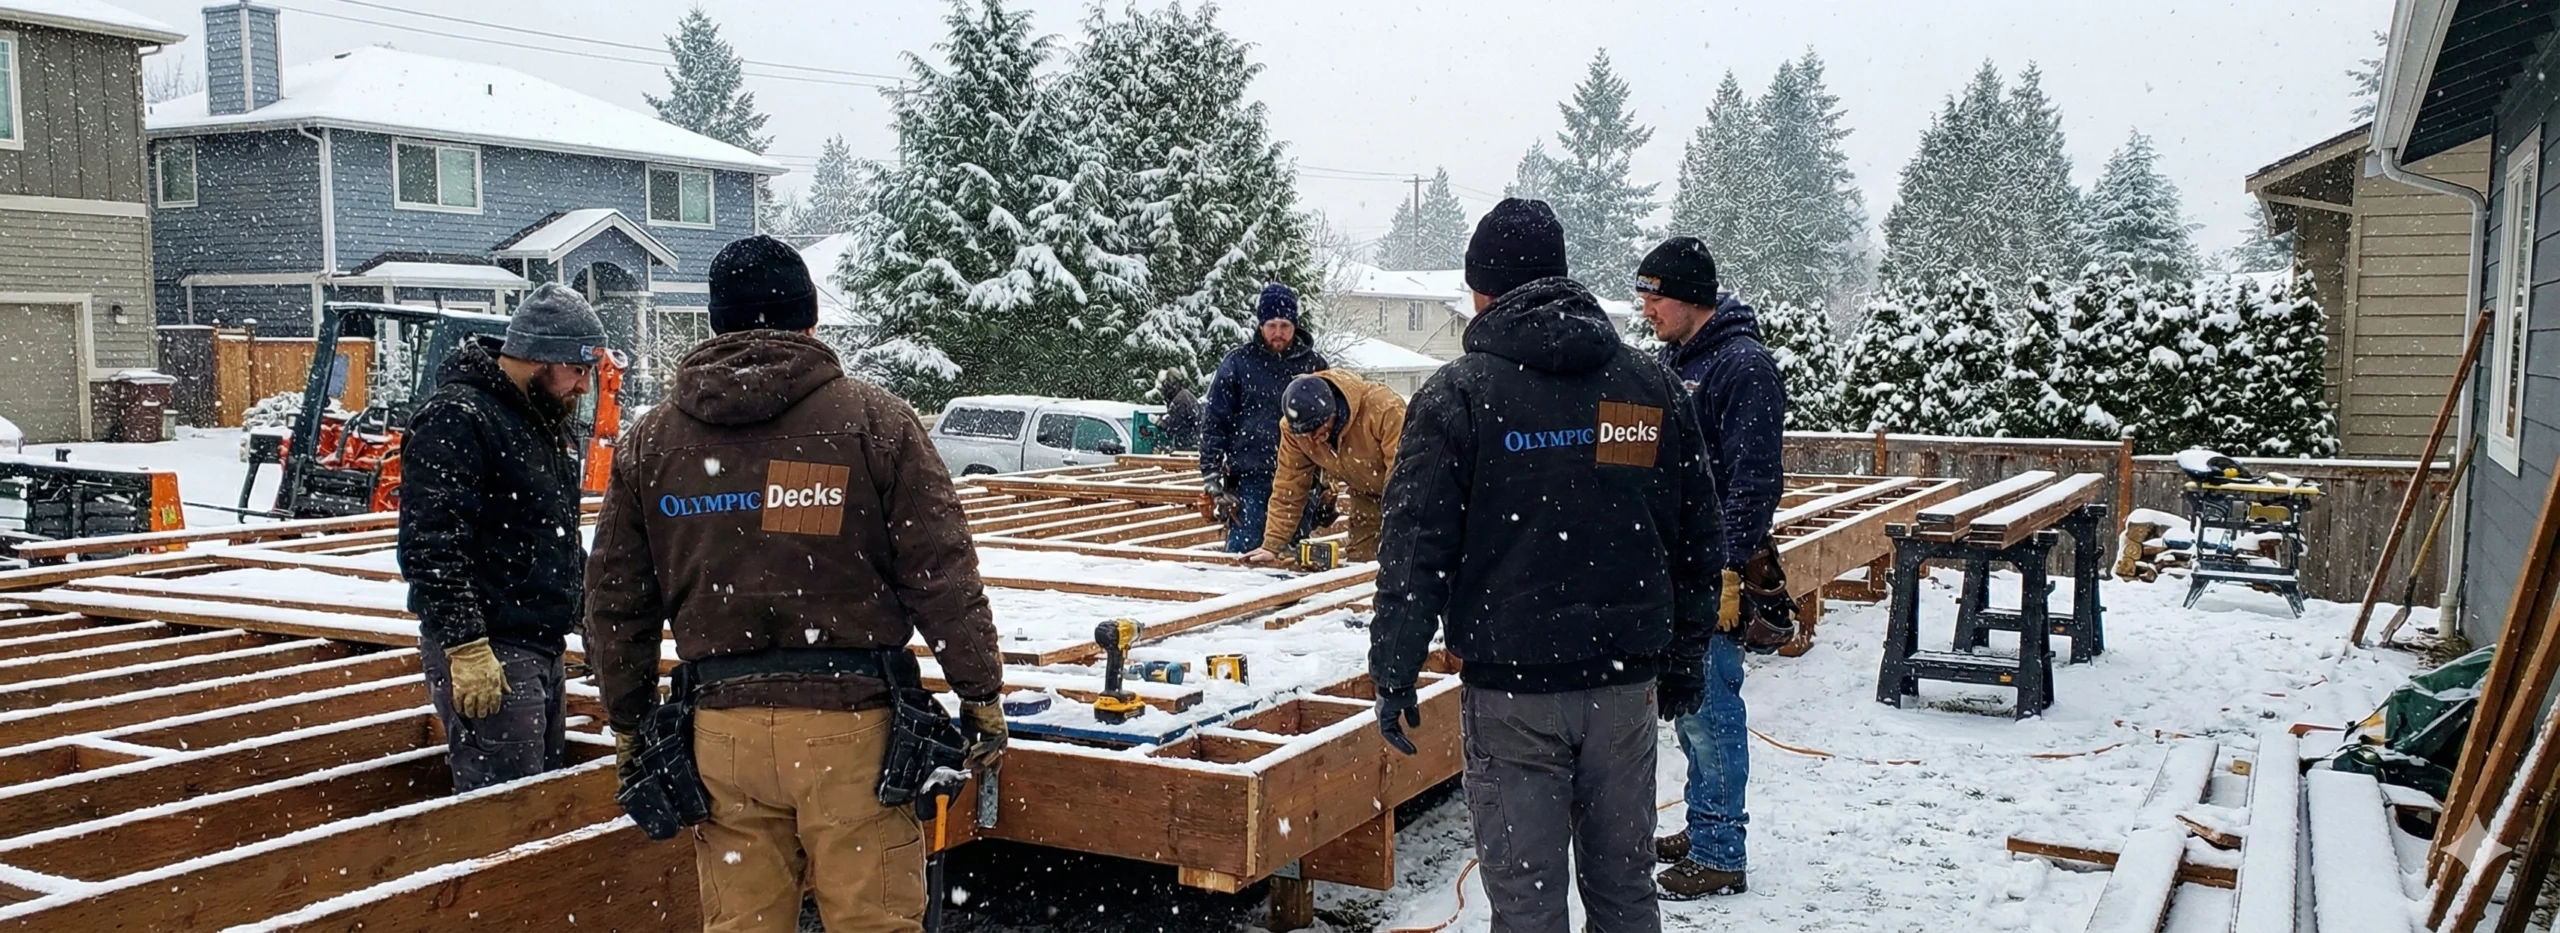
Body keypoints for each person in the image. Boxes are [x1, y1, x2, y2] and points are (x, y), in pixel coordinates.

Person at [584, 235, 1007, 933]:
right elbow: (942, 572)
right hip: (853, 731)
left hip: (722, 737)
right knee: (874, 922)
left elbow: (614, 602)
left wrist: (627, 718)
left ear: (717, 323)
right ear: (809, 320)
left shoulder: (653, 439)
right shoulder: (872, 421)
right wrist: (979, 691)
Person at [1371, 199, 1724, 933]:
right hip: (1623, 688)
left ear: (1483, 290)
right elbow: (1697, 536)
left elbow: (1414, 547)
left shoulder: (1460, 395)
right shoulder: (1646, 387)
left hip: (1514, 692)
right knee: (1625, 890)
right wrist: (1686, 653)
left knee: (1527, 906)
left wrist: (1395, 666)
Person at [397, 283, 602, 793]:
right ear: (540, 359)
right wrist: (466, 644)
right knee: (509, 813)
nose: (583, 387)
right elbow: (432, 544)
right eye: (577, 371)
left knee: (542, 802)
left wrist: (587, 614)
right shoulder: (459, 418)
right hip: (493, 650)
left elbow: (548, 533)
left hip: (538, 644)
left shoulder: (539, 422)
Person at [1637, 236, 1787, 900]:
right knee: (1690, 708)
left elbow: (1753, 482)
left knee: (1713, 703)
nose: (1647, 309)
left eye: (1656, 295)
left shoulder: (1743, 368)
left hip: (1711, 568)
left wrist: (1727, 567)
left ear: (1692, 295)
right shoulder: (1676, 362)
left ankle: (1722, 847)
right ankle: (1702, 826)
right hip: (1676, 563)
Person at [1199, 283, 1329, 551]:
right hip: (1250, 480)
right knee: (1242, 564)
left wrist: (1329, 480)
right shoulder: (1238, 363)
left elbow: (1332, 423)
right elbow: (1215, 421)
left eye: (1285, 325)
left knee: (1295, 564)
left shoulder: (1314, 366)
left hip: (1300, 481)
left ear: (1295, 325)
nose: (1278, 333)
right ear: (1260, 325)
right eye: (1271, 325)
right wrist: (1211, 474)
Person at [1242, 370, 1404, 566]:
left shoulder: (1382, 409)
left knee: (1405, 560)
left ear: (1331, 413)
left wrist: (1398, 524)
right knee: (1362, 563)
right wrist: (1273, 545)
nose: (1311, 439)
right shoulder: (1295, 430)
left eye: (1316, 430)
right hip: (1365, 494)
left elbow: (1404, 474)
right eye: (1304, 433)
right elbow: (1289, 486)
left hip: (1408, 493)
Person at [1152, 369, 1202, 451]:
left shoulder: (1180, 400)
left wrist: (1160, 423)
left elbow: (1174, 426)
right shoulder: (1185, 395)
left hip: (1187, 447)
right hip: (1194, 444)